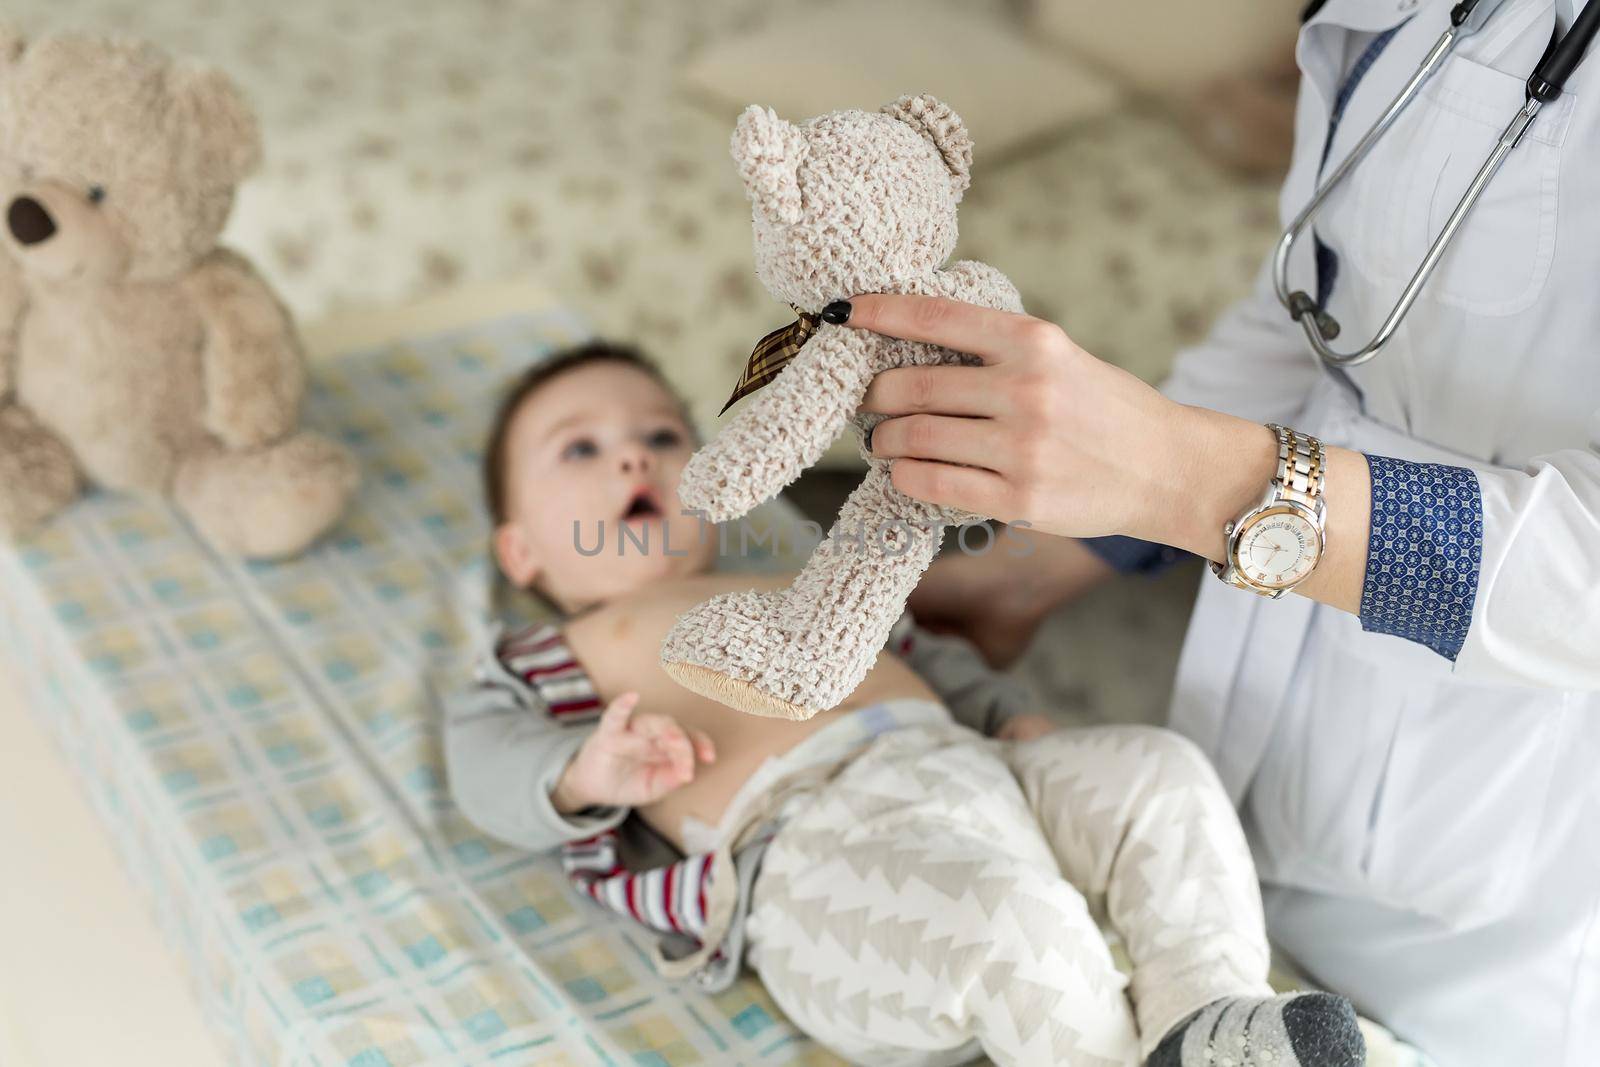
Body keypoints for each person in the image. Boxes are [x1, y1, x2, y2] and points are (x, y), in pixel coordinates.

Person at [826, 1, 1600, 1064]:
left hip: (1496, 923)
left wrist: (1183, 477)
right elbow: (1322, 306)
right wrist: (1062, 556)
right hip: (1255, 765)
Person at [442, 340, 1367, 1067]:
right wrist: (580, 771)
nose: (631, 459)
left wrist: (1007, 718)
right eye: (581, 447)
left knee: (1160, 772)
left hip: (974, 770)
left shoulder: (795, 577)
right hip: (819, 865)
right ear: (521, 552)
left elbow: (930, 658)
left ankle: (1203, 1015)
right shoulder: (553, 657)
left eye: (661, 436)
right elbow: (484, 766)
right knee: (1018, 926)